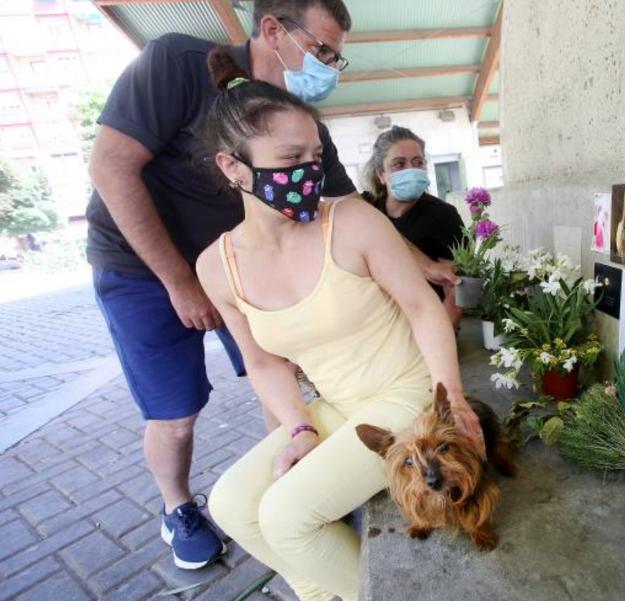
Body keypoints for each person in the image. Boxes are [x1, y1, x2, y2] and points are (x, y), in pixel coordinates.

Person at [195, 49, 483, 601]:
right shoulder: (217, 266)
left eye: (315, 154)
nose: (309, 170)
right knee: (232, 503)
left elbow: (425, 308)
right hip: (338, 403)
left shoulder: (350, 221)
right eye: (289, 156)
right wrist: (299, 428)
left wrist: (454, 398)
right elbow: (262, 360)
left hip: (408, 395)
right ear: (232, 167)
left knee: (286, 515)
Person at [361, 126, 465, 327]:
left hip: (422, 326)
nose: (410, 170)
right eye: (399, 164)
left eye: (417, 163)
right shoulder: (365, 208)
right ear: (381, 174)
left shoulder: (444, 215)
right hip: (376, 327)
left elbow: (456, 289)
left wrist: (441, 334)